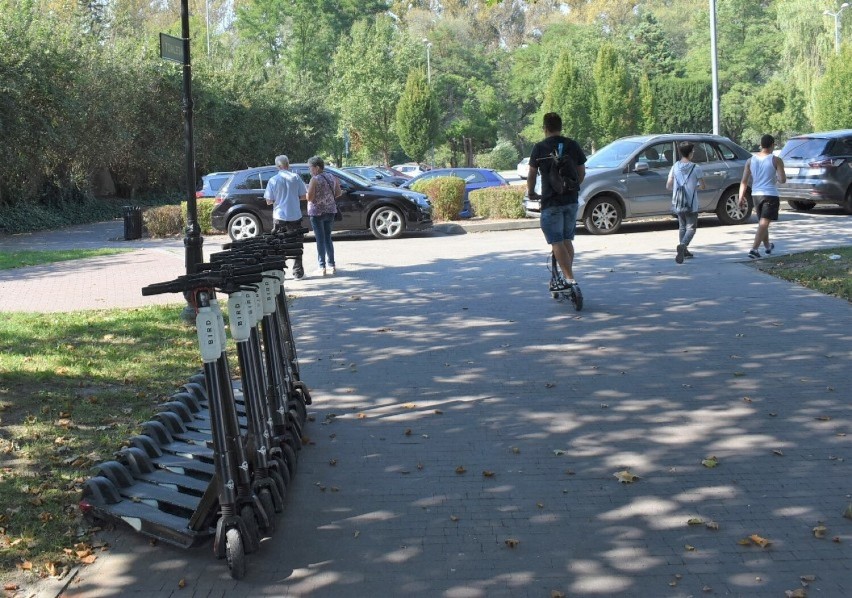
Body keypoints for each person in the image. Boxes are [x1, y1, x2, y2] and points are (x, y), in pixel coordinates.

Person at [527, 112, 587, 291]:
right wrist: (572, 187)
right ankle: (565, 273)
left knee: (556, 241)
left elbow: (531, 175)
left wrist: (531, 192)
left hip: (550, 202)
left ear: (545, 128)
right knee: (567, 239)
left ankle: (569, 279)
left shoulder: (539, 148)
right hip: (571, 201)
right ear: (560, 127)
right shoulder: (572, 145)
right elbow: (581, 172)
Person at [739, 134, 786, 259]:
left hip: (756, 194)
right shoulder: (776, 160)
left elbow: (744, 181)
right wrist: (775, 175)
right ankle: (754, 249)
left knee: (763, 222)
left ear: (761, 145)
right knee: (764, 223)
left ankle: (767, 246)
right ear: (772, 145)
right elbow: (782, 180)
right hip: (770, 194)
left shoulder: (750, 160)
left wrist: (740, 197)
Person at [265, 155, 307, 279]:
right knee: (297, 244)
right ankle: (298, 273)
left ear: (277, 167)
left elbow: (268, 201)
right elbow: (303, 196)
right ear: (288, 165)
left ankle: (280, 273)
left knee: (278, 245)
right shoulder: (296, 178)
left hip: (279, 216)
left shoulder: (273, 180)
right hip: (294, 215)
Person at [666, 142, 706, 264]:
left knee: (682, 226)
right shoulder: (696, 168)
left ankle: (684, 250)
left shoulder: (675, 166)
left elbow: (668, 186)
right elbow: (703, 186)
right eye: (693, 151)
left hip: (678, 203)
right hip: (691, 203)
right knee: (691, 228)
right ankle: (683, 245)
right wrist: (694, 186)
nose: (693, 153)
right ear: (689, 153)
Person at [306, 156, 342, 276]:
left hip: (316, 213)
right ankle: (332, 265)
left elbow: (310, 198)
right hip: (331, 211)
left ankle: (322, 267)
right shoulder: (332, 177)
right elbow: (338, 193)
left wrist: (306, 194)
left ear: (316, 167)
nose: (309, 170)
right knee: (328, 238)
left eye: (310, 167)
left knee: (320, 240)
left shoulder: (314, 180)